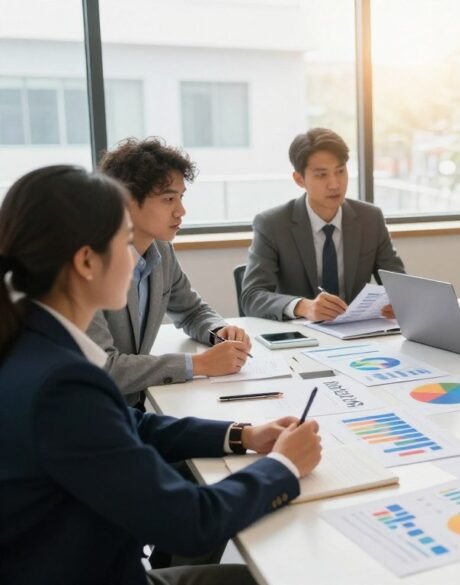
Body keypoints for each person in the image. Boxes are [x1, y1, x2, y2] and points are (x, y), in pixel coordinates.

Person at [0, 165, 323, 585]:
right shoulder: (61, 384)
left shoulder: (29, 343)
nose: (135, 258)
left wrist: (242, 434)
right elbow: (193, 520)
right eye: (123, 241)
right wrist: (283, 466)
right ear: (85, 262)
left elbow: (126, 424)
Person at [86, 138, 251, 408]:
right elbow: (103, 367)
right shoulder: (90, 265)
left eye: (181, 197)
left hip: (134, 407)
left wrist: (220, 331)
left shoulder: (160, 251)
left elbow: (192, 311)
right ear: (125, 200)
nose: (181, 210)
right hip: (92, 413)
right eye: (168, 199)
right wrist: (196, 364)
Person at [241, 127, 405, 322]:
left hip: (357, 332)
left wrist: (400, 301)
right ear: (299, 179)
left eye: (340, 171)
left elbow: (399, 284)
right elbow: (251, 296)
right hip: (301, 336)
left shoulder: (370, 218)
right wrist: (303, 306)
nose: (334, 184)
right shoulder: (273, 224)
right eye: (321, 175)